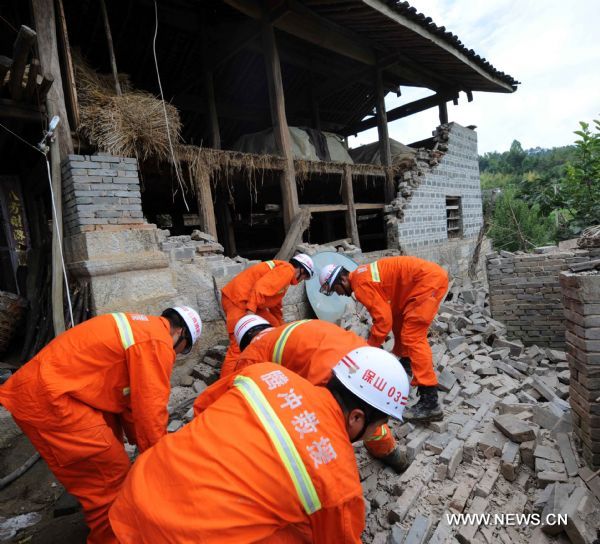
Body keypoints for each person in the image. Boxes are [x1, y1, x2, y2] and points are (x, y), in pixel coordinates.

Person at [109, 347, 409, 543]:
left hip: (135, 496)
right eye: (376, 426)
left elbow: (202, 407)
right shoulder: (339, 484)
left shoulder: (264, 374)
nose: (375, 433)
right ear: (357, 418)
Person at [0, 306, 202, 544]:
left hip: (49, 395)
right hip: (53, 401)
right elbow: (150, 410)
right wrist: (160, 462)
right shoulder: (157, 342)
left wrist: (143, 445)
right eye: (181, 351)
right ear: (181, 334)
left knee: (108, 458)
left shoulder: (141, 328)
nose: (176, 355)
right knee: (109, 478)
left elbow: (130, 407)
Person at [229, 315, 407, 472]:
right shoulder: (294, 326)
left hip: (328, 374)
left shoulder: (252, 355)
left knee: (332, 426)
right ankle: (392, 454)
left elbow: (245, 401)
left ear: (245, 341)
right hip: (361, 357)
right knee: (371, 411)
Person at [319, 256, 449, 422]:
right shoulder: (361, 276)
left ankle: (430, 401)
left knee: (413, 337)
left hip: (427, 282)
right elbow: (390, 316)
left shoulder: (360, 286)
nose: (339, 294)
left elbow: (383, 320)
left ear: (343, 278)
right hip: (420, 282)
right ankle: (407, 366)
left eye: (335, 288)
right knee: (400, 322)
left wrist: (370, 347)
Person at [219, 253, 314, 375]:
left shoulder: (284, 275)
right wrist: (250, 313)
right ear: (302, 270)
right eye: (305, 277)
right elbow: (260, 288)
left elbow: (275, 304)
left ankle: (265, 364)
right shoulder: (287, 270)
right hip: (238, 300)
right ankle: (225, 386)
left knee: (273, 329)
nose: (302, 280)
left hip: (249, 301)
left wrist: (282, 327)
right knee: (237, 347)